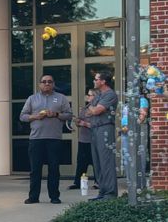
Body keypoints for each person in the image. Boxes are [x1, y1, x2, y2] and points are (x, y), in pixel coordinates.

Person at [19, 74, 72, 205]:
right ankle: (33, 197)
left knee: (54, 169)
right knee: (35, 169)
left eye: (49, 82)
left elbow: (69, 115)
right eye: (44, 82)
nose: (47, 84)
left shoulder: (61, 98)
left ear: (53, 84)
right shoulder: (32, 99)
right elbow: (22, 116)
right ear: (39, 84)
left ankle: (54, 196)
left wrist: (56, 114)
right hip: (36, 139)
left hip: (54, 138)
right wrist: (36, 117)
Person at [81, 70, 118, 199]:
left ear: (103, 81)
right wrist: (92, 107)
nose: (94, 81)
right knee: (97, 162)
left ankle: (110, 193)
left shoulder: (110, 94)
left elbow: (95, 111)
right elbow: (87, 113)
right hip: (95, 129)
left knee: (106, 160)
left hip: (105, 128)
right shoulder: (98, 95)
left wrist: (91, 107)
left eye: (96, 79)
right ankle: (102, 191)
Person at [70, 88, 96, 191]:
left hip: (94, 140)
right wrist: (77, 121)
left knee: (95, 162)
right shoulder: (85, 108)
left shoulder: (99, 108)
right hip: (83, 139)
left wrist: (84, 124)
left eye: (90, 95)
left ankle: (98, 182)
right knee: (81, 162)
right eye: (88, 95)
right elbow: (79, 122)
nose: (88, 97)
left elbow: (98, 125)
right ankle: (78, 182)